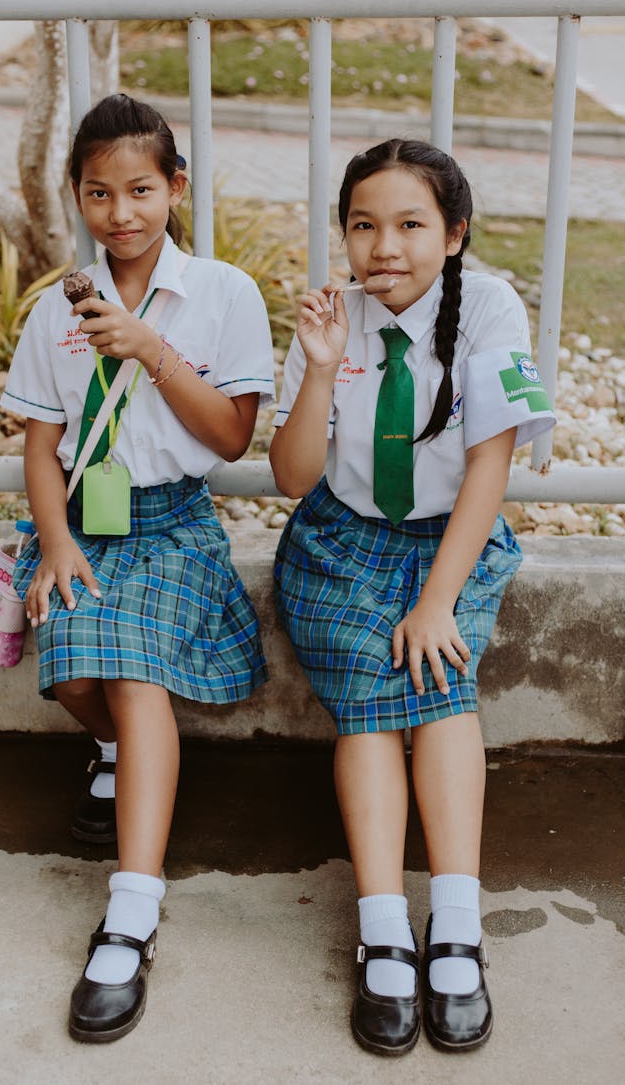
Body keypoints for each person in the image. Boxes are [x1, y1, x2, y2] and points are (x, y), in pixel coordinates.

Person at [0, 93, 275, 1043]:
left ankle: (131, 911)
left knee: (132, 664)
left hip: (170, 523)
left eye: (142, 190)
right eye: (99, 193)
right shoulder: (57, 306)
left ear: (176, 188)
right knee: (72, 672)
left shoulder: (224, 294)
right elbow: (41, 445)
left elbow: (234, 433)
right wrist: (58, 542)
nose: (121, 213)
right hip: (85, 522)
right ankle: (120, 751)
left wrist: (152, 350)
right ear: (78, 197)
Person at [270, 140, 555, 1056]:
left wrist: (437, 602)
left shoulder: (491, 307)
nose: (382, 246)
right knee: (366, 685)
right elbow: (290, 476)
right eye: (363, 225)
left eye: (409, 224)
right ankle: (385, 927)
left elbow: (489, 472)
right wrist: (319, 367)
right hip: (341, 541)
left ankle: (458, 927)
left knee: (439, 677)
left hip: (451, 541)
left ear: (454, 232)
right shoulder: (332, 315)